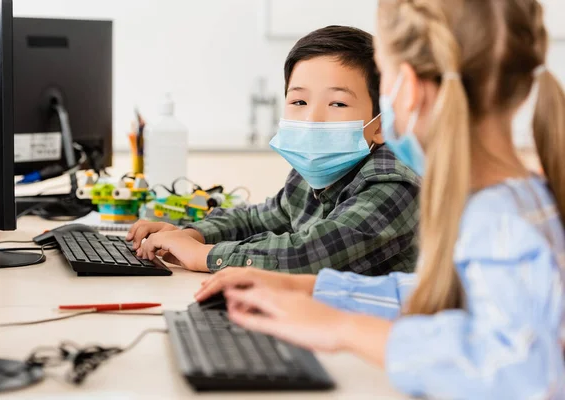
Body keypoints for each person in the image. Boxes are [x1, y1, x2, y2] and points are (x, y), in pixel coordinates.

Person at [195, 0, 565, 397]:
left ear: (404, 90)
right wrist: (311, 292)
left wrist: (342, 328)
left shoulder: (497, 222)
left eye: (384, 78)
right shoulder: (514, 199)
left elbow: (518, 374)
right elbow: (438, 299)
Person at [129, 26, 420, 275]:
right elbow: (255, 219)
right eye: (299, 102)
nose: (311, 119)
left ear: (381, 126)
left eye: (337, 104)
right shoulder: (310, 176)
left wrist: (203, 255)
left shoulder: (393, 184)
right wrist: (191, 233)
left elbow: (309, 255)